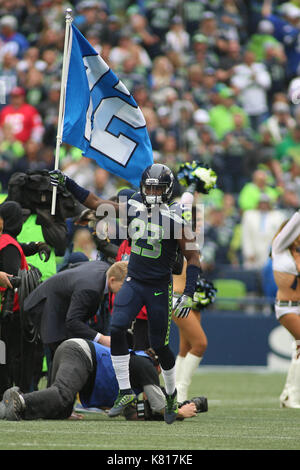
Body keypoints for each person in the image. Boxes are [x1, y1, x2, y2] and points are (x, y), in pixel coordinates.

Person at [49, 163, 205, 425]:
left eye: (158, 188)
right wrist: (68, 183)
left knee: (160, 346)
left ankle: (171, 393)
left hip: (158, 287)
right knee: (118, 327)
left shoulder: (177, 220)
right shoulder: (134, 206)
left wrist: (188, 293)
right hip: (133, 280)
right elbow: (97, 203)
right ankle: (124, 392)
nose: (152, 192)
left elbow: (194, 258)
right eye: (149, 187)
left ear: (167, 191)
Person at [0, 339, 198, 422]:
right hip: (80, 353)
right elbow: (160, 406)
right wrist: (181, 411)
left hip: (75, 351)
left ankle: (8, 408)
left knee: (60, 411)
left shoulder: (137, 365)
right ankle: (21, 399)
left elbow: (131, 414)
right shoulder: (147, 366)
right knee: (62, 394)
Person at [23, 260, 128, 360]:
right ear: (112, 280)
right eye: (123, 286)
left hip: (61, 308)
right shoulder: (90, 288)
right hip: (49, 309)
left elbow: (72, 267)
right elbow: (72, 321)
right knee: (60, 361)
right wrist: (102, 339)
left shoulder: (105, 269)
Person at [0, 201, 50, 398]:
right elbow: (13, 278)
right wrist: (30, 276)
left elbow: (17, 247)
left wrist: (36, 246)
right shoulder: (9, 244)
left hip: (7, 311)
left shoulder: (5, 240)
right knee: (11, 358)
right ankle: (11, 396)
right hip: (9, 314)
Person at [271, 211, 300, 408]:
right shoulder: (279, 248)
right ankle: (293, 397)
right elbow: (293, 224)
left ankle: (288, 395)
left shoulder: (297, 252)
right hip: (286, 307)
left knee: (298, 349)